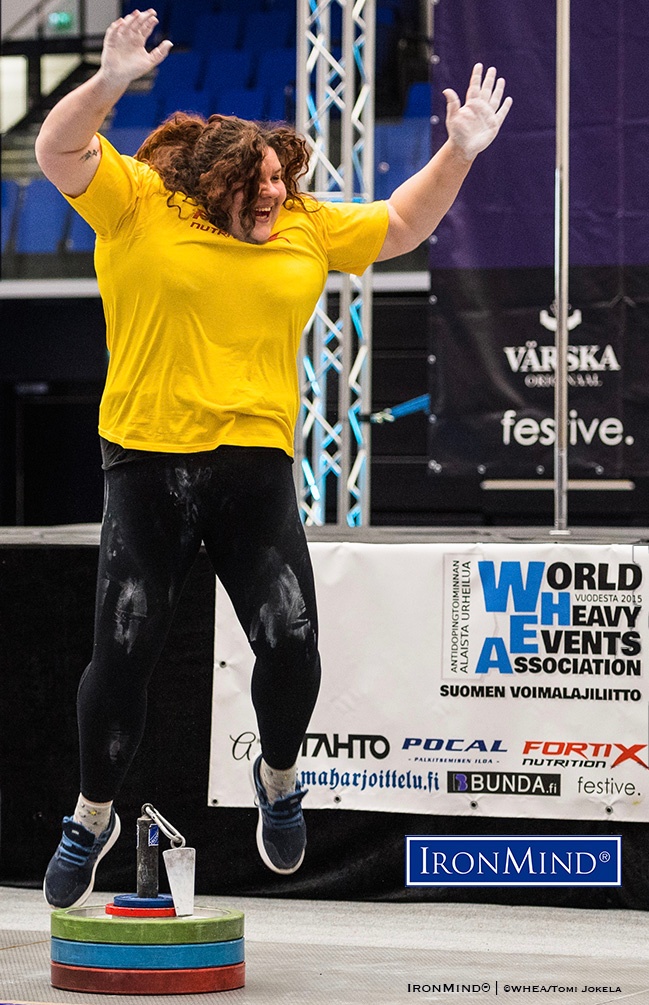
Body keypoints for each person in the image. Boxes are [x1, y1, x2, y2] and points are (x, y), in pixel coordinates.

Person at [36, 8, 512, 909]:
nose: (273, 196)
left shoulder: (300, 225)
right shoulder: (139, 202)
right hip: (145, 467)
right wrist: (106, 83)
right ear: (212, 181)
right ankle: (92, 814)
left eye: (280, 181)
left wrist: (458, 151)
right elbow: (61, 152)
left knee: (291, 644)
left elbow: (402, 223)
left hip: (253, 473)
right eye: (257, 182)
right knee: (123, 654)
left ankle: (279, 777)